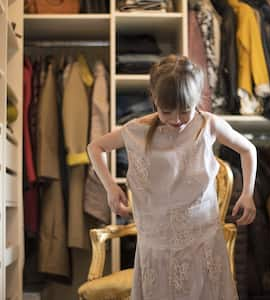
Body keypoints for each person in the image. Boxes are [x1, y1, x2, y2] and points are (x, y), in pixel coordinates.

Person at [87, 55, 257, 299]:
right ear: (154, 99)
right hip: (157, 242)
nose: (177, 120)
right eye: (167, 111)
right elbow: (95, 147)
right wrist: (111, 188)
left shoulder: (208, 124)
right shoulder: (135, 130)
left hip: (201, 237)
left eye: (185, 111)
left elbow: (248, 149)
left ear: (197, 99)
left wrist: (248, 193)